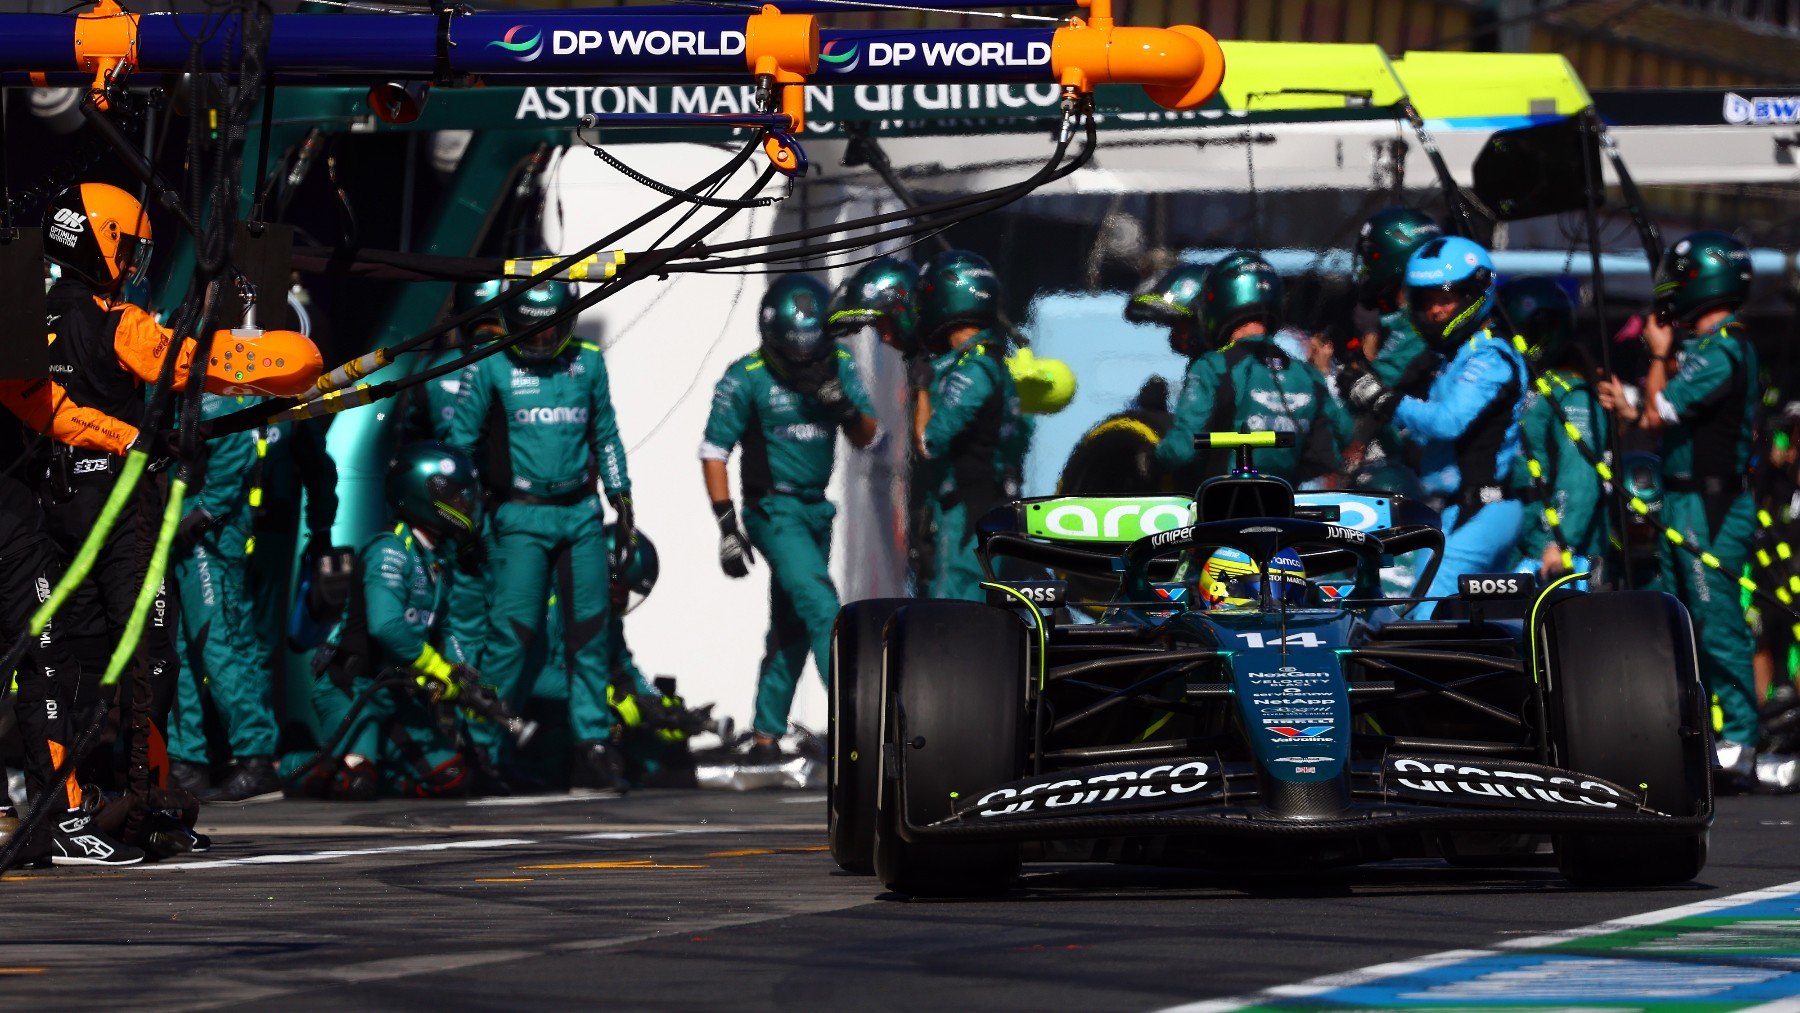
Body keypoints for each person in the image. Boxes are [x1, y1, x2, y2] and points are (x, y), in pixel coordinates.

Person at [10, 182, 318, 800]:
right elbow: (184, 363)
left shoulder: (25, 313)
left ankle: (69, 806)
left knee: (61, 662)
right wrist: (268, 359)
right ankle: (149, 798)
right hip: (121, 513)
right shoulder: (116, 323)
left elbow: (36, 404)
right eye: (131, 252)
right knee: (153, 656)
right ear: (104, 245)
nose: (133, 267)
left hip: (49, 512)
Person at [448, 277, 636, 792]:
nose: (539, 341)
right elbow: (458, 447)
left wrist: (623, 498)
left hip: (580, 513)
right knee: (516, 632)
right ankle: (483, 746)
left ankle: (592, 745)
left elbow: (607, 433)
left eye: (551, 330)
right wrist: (464, 520)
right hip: (519, 515)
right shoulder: (489, 365)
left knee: (590, 630)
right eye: (529, 331)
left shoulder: (590, 362)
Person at [1597, 231, 1761, 788]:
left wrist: (1658, 358)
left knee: (1717, 622)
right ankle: (1698, 730)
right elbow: (1652, 408)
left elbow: (1657, 412)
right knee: (1677, 619)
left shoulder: (1726, 349)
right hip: (1680, 495)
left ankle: (1740, 737)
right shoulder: (1705, 348)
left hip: (1712, 502)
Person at [703, 274, 879, 762]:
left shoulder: (840, 366)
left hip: (816, 509)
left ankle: (765, 733)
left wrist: (843, 406)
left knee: (792, 622)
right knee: (822, 606)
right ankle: (859, 724)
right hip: (771, 508)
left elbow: (870, 436)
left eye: (812, 348)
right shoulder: (747, 375)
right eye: (795, 350)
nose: (804, 360)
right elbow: (714, 451)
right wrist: (727, 528)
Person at [1340, 236, 1527, 615]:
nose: (1436, 311)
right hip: (1454, 508)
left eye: (1446, 298)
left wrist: (1381, 398)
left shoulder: (1490, 356)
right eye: (1425, 301)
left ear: (1475, 292)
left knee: (1423, 613)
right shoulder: (1450, 357)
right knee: (1438, 613)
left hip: (1486, 507)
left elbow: (1447, 422)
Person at [300, 442, 485, 800]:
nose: (465, 505)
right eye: (457, 497)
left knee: (454, 778)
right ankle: (293, 766)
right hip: (353, 686)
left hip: (397, 693)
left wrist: (463, 677)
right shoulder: (389, 549)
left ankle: (380, 763)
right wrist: (437, 668)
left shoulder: (436, 556)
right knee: (356, 784)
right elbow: (386, 627)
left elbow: (446, 628)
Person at [166, 392, 285, 802]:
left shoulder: (216, 391)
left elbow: (234, 446)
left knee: (222, 644)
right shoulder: (156, 384)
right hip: (164, 532)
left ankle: (256, 759)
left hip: (209, 538)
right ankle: (185, 764)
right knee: (173, 650)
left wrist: (205, 510)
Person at [1152, 253, 1350, 486]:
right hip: (1284, 509)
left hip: (1222, 511)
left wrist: (1149, 453)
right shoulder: (1308, 376)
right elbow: (1339, 442)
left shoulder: (1211, 367)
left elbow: (1180, 451)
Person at [912, 250, 1025, 601]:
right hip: (977, 506)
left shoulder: (975, 368)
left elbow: (929, 441)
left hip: (970, 512)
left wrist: (920, 387)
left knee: (954, 612)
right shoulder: (988, 360)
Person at [1498, 277, 1608, 585]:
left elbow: (1580, 474)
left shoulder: (1571, 393)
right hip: (1516, 534)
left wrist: (1560, 541)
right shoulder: (1517, 388)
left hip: (1554, 550)